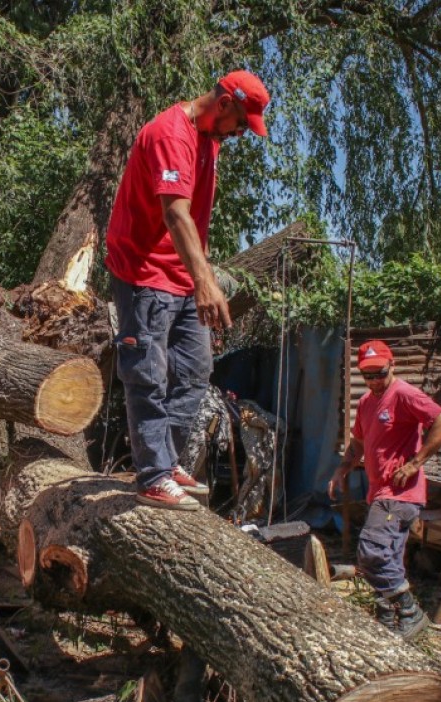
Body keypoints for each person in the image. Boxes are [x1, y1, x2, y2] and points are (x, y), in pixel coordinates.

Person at [106, 70, 270, 510]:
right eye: (241, 124)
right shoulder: (169, 133)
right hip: (143, 274)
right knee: (147, 375)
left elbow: (193, 222)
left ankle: (167, 461)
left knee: (196, 370)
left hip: (179, 273)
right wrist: (207, 282)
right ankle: (152, 474)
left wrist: (197, 273)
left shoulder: (209, 140)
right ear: (224, 105)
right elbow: (176, 214)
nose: (239, 135)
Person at [328, 340, 441, 639]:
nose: (374, 380)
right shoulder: (367, 403)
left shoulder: (404, 395)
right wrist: (342, 469)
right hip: (379, 492)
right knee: (388, 556)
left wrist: (415, 463)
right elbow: (358, 442)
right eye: (368, 375)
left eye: (379, 373)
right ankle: (387, 620)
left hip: (400, 494)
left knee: (372, 552)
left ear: (392, 366)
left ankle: (410, 612)